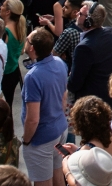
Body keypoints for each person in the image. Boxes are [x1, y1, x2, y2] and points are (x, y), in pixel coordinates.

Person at [21, 28, 69, 186]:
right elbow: (64, 96)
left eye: (28, 40)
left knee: (43, 182)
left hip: (41, 138)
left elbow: (33, 119)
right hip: (60, 129)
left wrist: (27, 140)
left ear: (32, 48)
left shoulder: (32, 77)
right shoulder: (60, 63)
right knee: (58, 174)